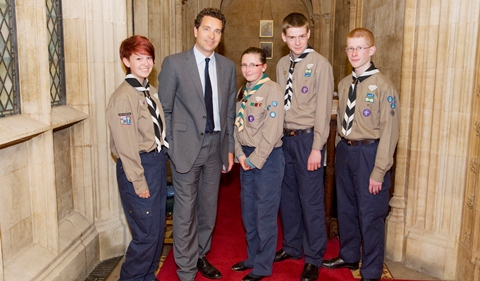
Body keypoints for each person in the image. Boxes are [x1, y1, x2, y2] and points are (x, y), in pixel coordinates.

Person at [157, 7, 236, 281]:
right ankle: (186, 269)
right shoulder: (175, 63)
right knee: (185, 211)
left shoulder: (227, 67)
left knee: (208, 209)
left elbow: (229, 112)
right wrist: (172, 146)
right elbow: (164, 109)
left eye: (217, 31)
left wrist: (229, 148)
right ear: (195, 30)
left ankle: (201, 254)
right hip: (186, 148)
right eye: (207, 29)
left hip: (216, 146)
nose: (212, 35)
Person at [321, 28, 400, 281]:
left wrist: (380, 170)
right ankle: (349, 254)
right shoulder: (345, 84)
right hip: (345, 151)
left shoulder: (384, 87)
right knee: (346, 208)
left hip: (370, 153)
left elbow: (390, 132)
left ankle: (371, 271)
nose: (354, 53)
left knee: (370, 214)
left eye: (360, 48)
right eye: (350, 48)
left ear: (371, 50)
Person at [274, 12, 334, 281]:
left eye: (302, 36)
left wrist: (317, 147)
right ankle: (292, 246)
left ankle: (313, 256)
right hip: (284, 139)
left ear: (308, 34)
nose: (297, 42)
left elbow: (323, 110)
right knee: (287, 197)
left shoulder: (320, 64)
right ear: (284, 37)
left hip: (309, 139)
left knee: (310, 199)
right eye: (292, 37)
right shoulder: (281, 64)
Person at [107, 35, 168, 281]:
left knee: (156, 232)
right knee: (145, 236)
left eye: (149, 58)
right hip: (138, 168)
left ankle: (147, 277)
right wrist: (138, 181)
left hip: (155, 164)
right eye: (138, 58)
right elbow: (126, 146)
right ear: (126, 61)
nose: (145, 63)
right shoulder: (125, 96)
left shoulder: (149, 91)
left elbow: (157, 130)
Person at [230, 47, 285, 281]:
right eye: (244, 65)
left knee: (264, 213)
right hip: (247, 158)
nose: (248, 69)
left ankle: (263, 265)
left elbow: (272, 132)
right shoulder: (244, 90)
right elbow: (237, 125)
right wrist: (240, 154)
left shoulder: (272, 90)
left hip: (267, 159)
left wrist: (254, 159)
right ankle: (252, 257)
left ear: (263, 66)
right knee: (248, 212)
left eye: (253, 65)